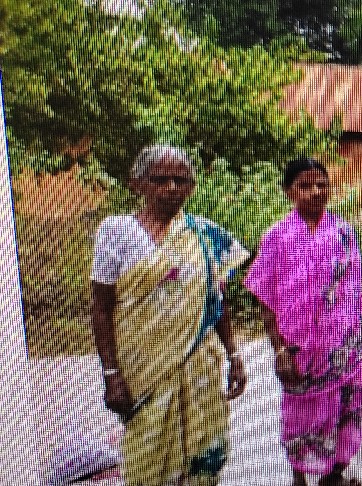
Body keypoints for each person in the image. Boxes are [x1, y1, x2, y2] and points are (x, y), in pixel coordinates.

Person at [89, 144, 248, 485]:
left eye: (181, 180)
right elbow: (101, 308)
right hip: (142, 368)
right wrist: (111, 373)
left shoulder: (205, 235)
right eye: (160, 180)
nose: (171, 187)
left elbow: (215, 302)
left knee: (203, 454)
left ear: (191, 186)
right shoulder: (116, 232)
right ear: (138, 184)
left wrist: (234, 355)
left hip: (199, 365)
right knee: (148, 457)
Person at [245, 158, 362, 486]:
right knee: (301, 416)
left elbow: (356, 290)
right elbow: (265, 297)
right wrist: (279, 350)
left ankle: (333, 476)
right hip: (299, 350)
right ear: (289, 191)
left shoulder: (343, 233)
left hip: (343, 347)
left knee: (346, 408)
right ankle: (299, 479)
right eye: (305, 185)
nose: (316, 191)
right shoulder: (277, 237)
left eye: (322, 184)